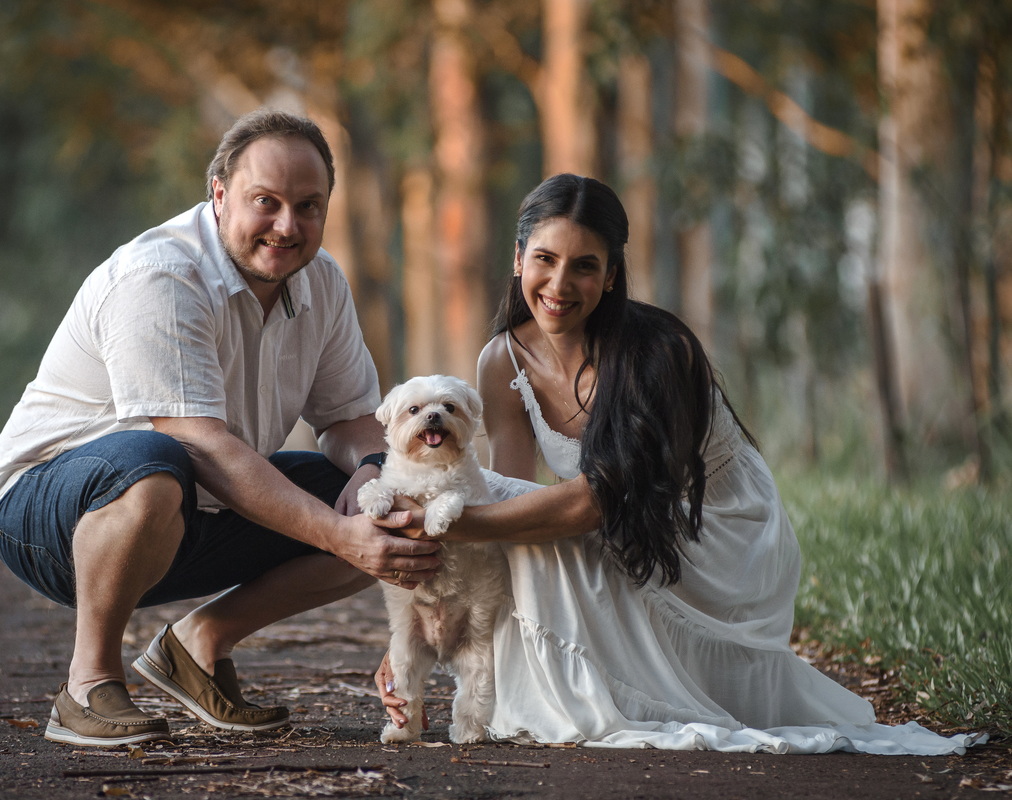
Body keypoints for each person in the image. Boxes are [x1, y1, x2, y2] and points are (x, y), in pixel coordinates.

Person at [376, 173, 982, 755]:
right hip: (622, 525)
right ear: (517, 259)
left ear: (612, 276)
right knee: (522, 538)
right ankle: (533, 688)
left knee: (538, 532)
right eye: (545, 259)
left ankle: (607, 693)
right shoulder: (502, 361)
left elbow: (592, 503)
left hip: (714, 532)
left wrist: (454, 522)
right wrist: (418, 632)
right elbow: (506, 502)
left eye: (585, 265)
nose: (559, 283)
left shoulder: (656, 354)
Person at [0, 109, 441, 747]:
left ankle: (200, 645)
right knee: (153, 460)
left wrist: (369, 478)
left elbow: (350, 419)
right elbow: (200, 445)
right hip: (48, 514)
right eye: (265, 202)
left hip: (191, 507)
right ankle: (87, 683)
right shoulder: (160, 277)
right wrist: (338, 534)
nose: (287, 225)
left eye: (308, 206)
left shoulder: (322, 282)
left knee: (398, 500)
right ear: (219, 196)